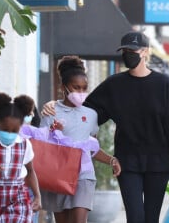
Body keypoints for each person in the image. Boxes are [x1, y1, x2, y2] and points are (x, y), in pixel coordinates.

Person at [42, 31, 169, 223]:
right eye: (125, 50)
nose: (128, 54)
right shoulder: (114, 84)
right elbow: (84, 110)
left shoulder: (164, 85)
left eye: (133, 50)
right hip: (127, 163)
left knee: (151, 218)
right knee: (135, 217)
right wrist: (55, 106)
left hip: (158, 164)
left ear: (145, 52)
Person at [39, 55, 121, 223]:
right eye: (76, 88)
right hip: (57, 176)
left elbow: (91, 148)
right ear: (63, 87)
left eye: (84, 88)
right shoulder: (50, 112)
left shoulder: (91, 115)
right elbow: (42, 148)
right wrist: (54, 133)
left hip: (84, 176)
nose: (81, 93)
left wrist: (111, 160)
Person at [0, 92, 42, 223]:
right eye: (5, 130)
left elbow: (30, 171)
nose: (9, 134)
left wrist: (37, 196)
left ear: (21, 126)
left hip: (18, 197)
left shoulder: (24, 144)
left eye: (14, 130)